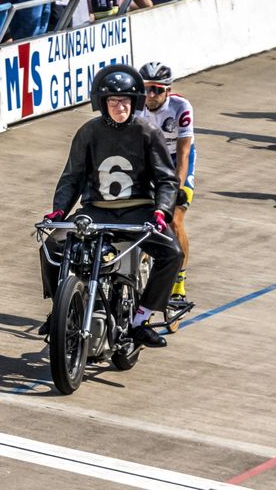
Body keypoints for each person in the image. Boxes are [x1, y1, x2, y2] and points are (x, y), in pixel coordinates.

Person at [39, 64, 183, 347]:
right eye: (114, 101)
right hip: (96, 210)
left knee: (172, 253)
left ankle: (141, 319)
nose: (120, 107)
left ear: (135, 101)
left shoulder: (148, 132)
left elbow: (166, 179)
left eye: (126, 100)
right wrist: (59, 211)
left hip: (139, 210)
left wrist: (161, 211)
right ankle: (61, 311)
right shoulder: (88, 132)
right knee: (51, 246)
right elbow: (72, 177)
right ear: (102, 103)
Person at [135, 62, 194, 302]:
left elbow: (184, 153)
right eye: (146, 89)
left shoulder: (181, 107)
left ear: (168, 91)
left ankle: (179, 280)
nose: (150, 95)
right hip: (150, 159)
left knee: (174, 220)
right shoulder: (134, 105)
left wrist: (176, 189)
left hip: (174, 159)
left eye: (157, 90)